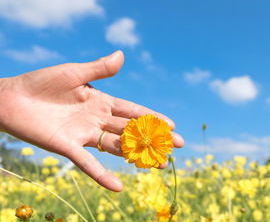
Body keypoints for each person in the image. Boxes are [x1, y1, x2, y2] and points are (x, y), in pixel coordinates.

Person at [0, 51, 184, 192]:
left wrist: (5, 95)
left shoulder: (154, 143)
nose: (144, 140)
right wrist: (7, 94)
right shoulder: (135, 136)